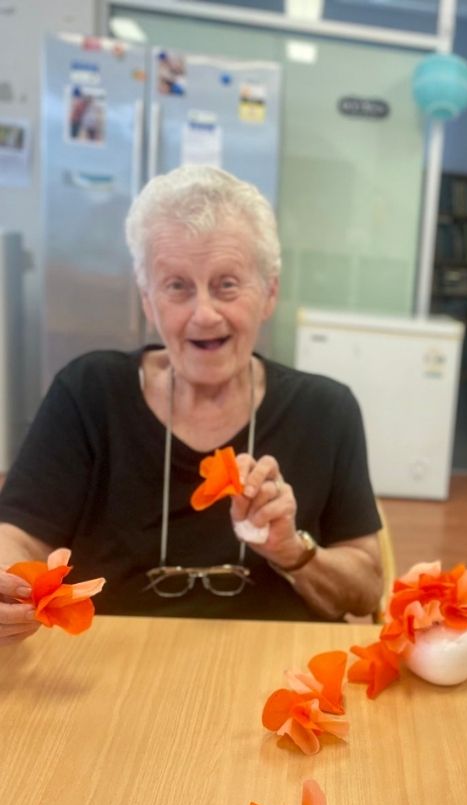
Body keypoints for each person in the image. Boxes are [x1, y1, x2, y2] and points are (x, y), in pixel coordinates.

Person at [0, 165, 382, 643]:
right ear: (148, 301)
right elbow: (18, 534)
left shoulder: (326, 411)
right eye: (177, 286)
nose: (204, 314)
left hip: (271, 666)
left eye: (226, 284)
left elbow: (365, 590)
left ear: (269, 294)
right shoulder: (89, 393)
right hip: (110, 667)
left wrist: (291, 550)